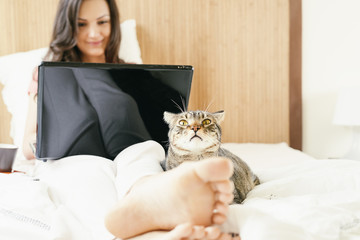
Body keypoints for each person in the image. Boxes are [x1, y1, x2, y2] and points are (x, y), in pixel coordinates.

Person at [22, 0, 239, 239]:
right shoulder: (47, 74)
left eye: (102, 22)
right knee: (89, 172)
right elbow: (27, 144)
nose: (94, 33)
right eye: (81, 24)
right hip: (74, 157)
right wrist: (45, 143)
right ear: (67, 26)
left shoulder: (134, 74)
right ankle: (144, 233)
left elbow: (164, 124)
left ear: (113, 24)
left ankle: (156, 203)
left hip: (132, 148)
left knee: (143, 155)